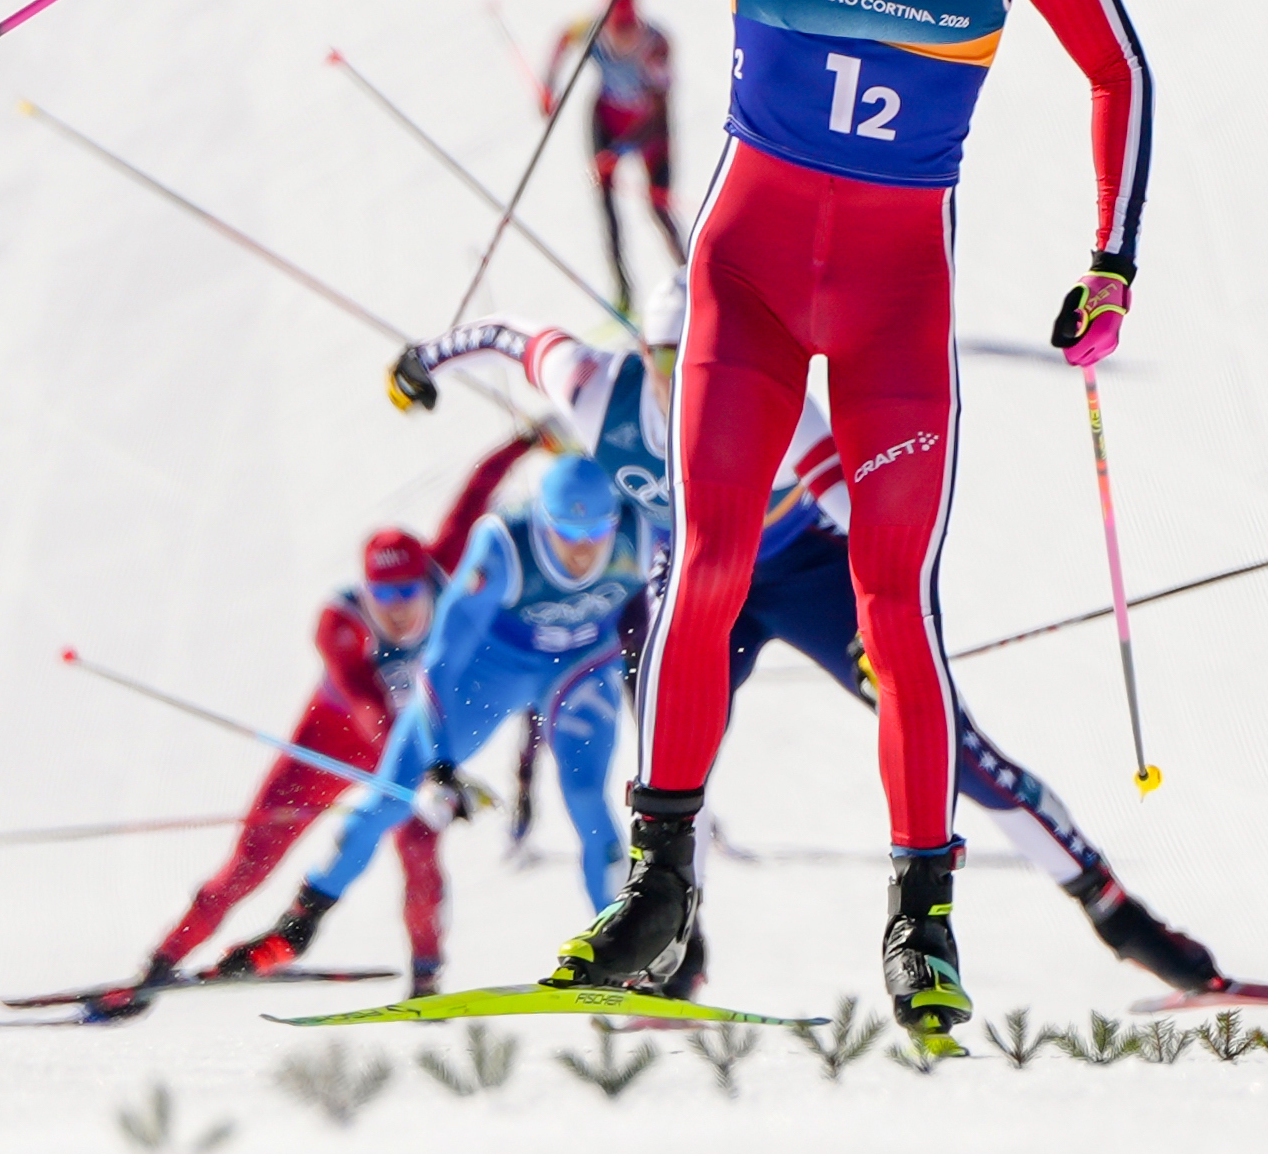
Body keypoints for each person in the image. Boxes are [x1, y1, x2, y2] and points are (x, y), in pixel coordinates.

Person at [530, 0, 1153, 1041]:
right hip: (746, 281)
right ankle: (655, 888)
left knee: (894, 609)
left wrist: (1108, 258)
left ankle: (920, 924)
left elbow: (1116, 70)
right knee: (709, 569)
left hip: (892, 307)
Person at [389, 274, 1218, 1003]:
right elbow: (505, 337)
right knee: (677, 760)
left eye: (706, 357)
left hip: (805, 576)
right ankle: (678, 947)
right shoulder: (594, 386)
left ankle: (1114, 911)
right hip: (696, 578)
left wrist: (881, 620)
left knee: (946, 744)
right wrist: (426, 358)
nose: (691, 383)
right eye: (673, 360)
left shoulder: (769, 392)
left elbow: (858, 507)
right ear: (645, 350)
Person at [88, 432, 535, 1017]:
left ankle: (427, 985)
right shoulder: (339, 623)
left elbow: (474, 495)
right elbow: (368, 704)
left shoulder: (440, 571)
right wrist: (424, 772)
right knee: (248, 865)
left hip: (402, 751)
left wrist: (525, 441)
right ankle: (156, 970)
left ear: (426, 578)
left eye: (408, 591)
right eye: (384, 593)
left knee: (421, 855)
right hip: (332, 744)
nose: (398, 606)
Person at [217, 454, 648, 984]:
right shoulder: (505, 546)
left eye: (596, 531)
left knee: (587, 798)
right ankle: (299, 925)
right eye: (567, 530)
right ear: (543, 520)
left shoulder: (640, 528)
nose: (583, 548)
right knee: (392, 795)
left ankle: (622, 955)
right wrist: (440, 765)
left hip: (580, 668)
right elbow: (441, 655)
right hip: (490, 671)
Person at [543, 0, 684, 312]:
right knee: (607, 208)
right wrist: (548, 86)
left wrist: (620, 152)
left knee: (659, 207)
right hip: (606, 119)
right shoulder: (591, 28)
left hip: (647, 128)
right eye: (615, 28)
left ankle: (690, 275)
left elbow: (660, 107)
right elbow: (563, 37)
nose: (621, 36)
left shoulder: (655, 44)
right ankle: (623, 292)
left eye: (626, 27)